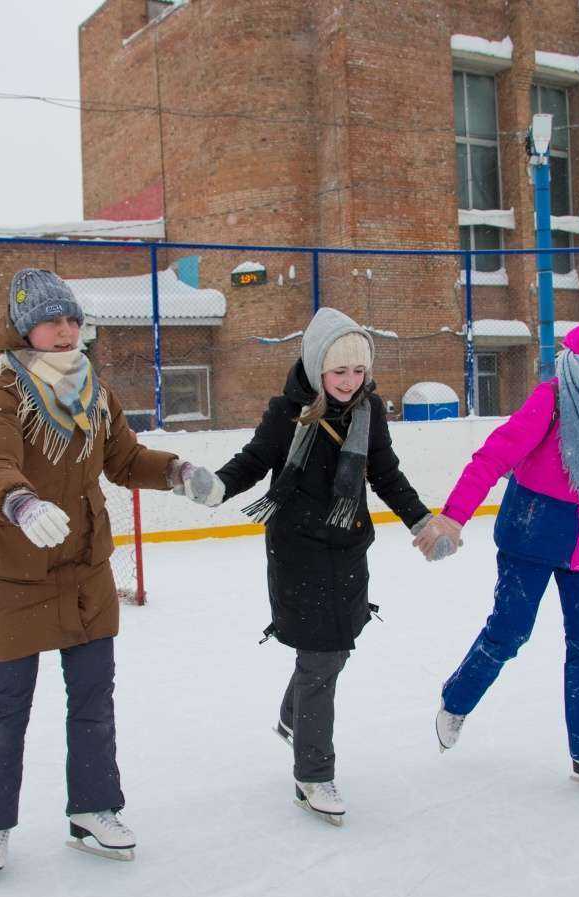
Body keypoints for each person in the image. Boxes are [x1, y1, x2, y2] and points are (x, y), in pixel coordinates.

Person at [0, 268, 218, 870]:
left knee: (93, 698)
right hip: (14, 571)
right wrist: (21, 503)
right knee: (8, 703)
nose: (66, 330)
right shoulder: (2, 391)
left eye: (73, 319)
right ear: (26, 328)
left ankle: (94, 808)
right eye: (52, 320)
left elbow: (123, 458)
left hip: (83, 569)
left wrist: (178, 472)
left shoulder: (93, 390)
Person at [178, 307, 433, 825]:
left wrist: (421, 521)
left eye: (358, 371)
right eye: (339, 371)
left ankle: (291, 716)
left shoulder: (370, 411)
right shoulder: (287, 411)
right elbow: (253, 460)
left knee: (335, 649)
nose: (350, 381)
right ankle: (313, 775)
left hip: (348, 545)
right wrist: (219, 487)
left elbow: (385, 473)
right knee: (321, 656)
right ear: (317, 367)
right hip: (297, 549)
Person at [413, 299, 579, 798]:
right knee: (510, 633)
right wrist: (453, 516)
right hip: (530, 535)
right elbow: (493, 457)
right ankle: (456, 699)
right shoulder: (553, 400)